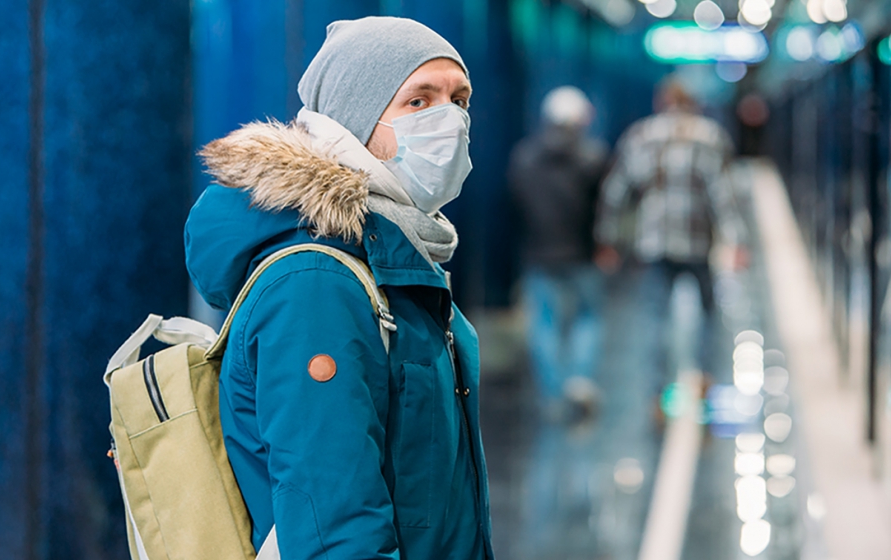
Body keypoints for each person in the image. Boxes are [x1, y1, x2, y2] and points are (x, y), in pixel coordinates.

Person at [184, 17, 493, 559]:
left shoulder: (394, 257)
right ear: (355, 119)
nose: (450, 120)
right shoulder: (316, 285)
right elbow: (336, 529)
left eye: (458, 99)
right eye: (419, 101)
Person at [595, 78, 746, 417]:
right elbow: (723, 194)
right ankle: (704, 378)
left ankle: (658, 390)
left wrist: (608, 239)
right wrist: (736, 241)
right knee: (708, 315)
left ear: (661, 101)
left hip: (655, 243)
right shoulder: (710, 137)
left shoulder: (641, 135)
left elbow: (617, 191)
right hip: (699, 242)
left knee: (655, 318)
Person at [508, 86, 609, 422]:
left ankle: (553, 393)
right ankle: (579, 379)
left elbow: (514, 207)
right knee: (587, 317)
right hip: (582, 252)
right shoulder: (594, 157)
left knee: (545, 323)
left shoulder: (524, 157)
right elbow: (604, 208)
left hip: (538, 253)